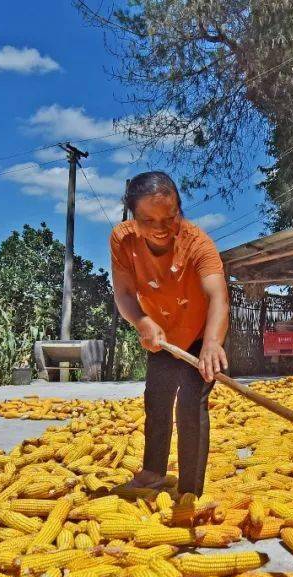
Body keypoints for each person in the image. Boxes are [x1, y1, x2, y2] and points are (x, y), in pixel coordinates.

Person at [110, 171, 230, 495]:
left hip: (201, 333)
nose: (161, 228)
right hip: (160, 332)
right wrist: (141, 321)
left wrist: (212, 343)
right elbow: (122, 293)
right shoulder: (123, 240)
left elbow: (218, 295)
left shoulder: (197, 244)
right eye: (149, 219)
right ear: (133, 218)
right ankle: (153, 471)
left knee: (190, 404)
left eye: (170, 216)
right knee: (157, 400)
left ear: (180, 209)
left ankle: (190, 491)